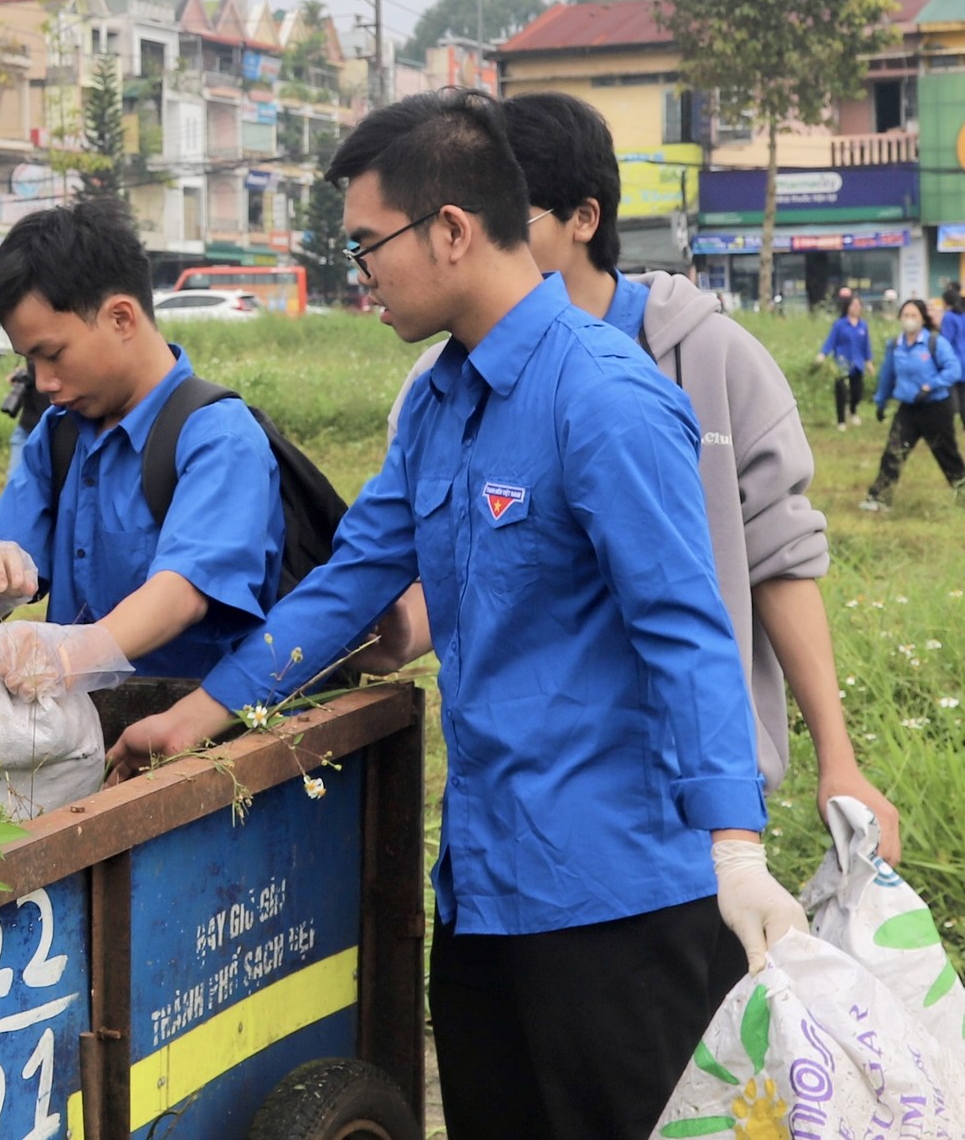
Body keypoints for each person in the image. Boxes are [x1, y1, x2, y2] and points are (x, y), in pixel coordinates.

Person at [111, 91, 804, 1140]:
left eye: (365, 244)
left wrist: (737, 849)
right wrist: (196, 714)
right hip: (486, 887)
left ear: (450, 228)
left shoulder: (602, 396)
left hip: (618, 899)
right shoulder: (439, 400)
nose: (360, 273)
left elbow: (687, 628)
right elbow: (351, 578)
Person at [371, 91, 898, 856]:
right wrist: (395, 630)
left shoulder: (710, 358)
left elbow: (778, 560)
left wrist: (837, 761)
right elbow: (453, 568)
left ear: (584, 218)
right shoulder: (439, 386)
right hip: (533, 807)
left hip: (699, 798)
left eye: (514, 213)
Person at [0, 197, 285, 699]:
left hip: (192, 740)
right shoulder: (60, 435)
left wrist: (69, 656)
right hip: (74, 737)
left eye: (53, 355)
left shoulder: (217, 439)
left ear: (122, 318)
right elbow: (4, 561)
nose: (44, 382)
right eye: (29, 362)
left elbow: (182, 594)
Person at [862, 297, 964, 512]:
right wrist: (881, 402)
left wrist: (930, 386)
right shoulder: (896, 345)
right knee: (894, 451)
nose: (909, 320)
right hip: (908, 409)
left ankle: (962, 492)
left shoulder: (934, 342)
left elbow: (953, 369)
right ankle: (879, 498)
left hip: (936, 408)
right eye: (906, 315)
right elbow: (887, 376)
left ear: (922, 319)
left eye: (914, 316)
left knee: (946, 454)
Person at [819, 294, 873, 430]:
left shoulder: (863, 326)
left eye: (858, 305)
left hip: (858, 364)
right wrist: (823, 354)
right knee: (841, 393)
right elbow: (831, 341)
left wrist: (869, 362)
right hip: (842, 364)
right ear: (847, 307)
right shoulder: (840, 325)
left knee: (857, 392)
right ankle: (841, 421)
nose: (856, 308)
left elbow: (866, 346)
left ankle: (853, 411)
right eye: (853, 305)